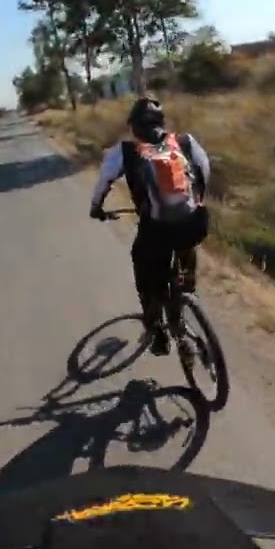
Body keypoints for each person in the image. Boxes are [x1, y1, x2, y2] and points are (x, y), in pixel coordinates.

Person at [90, 95, 211, 356]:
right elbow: (204, 167)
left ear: (134, 127)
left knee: (144, 267)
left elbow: (104, 182)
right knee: (185, 250)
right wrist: (197, 198)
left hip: (156, 231)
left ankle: (157, 332)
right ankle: (186, 292)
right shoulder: (185, 141)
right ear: (161, 122)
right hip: (194, 224)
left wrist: (96, 208)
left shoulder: (125, 151)